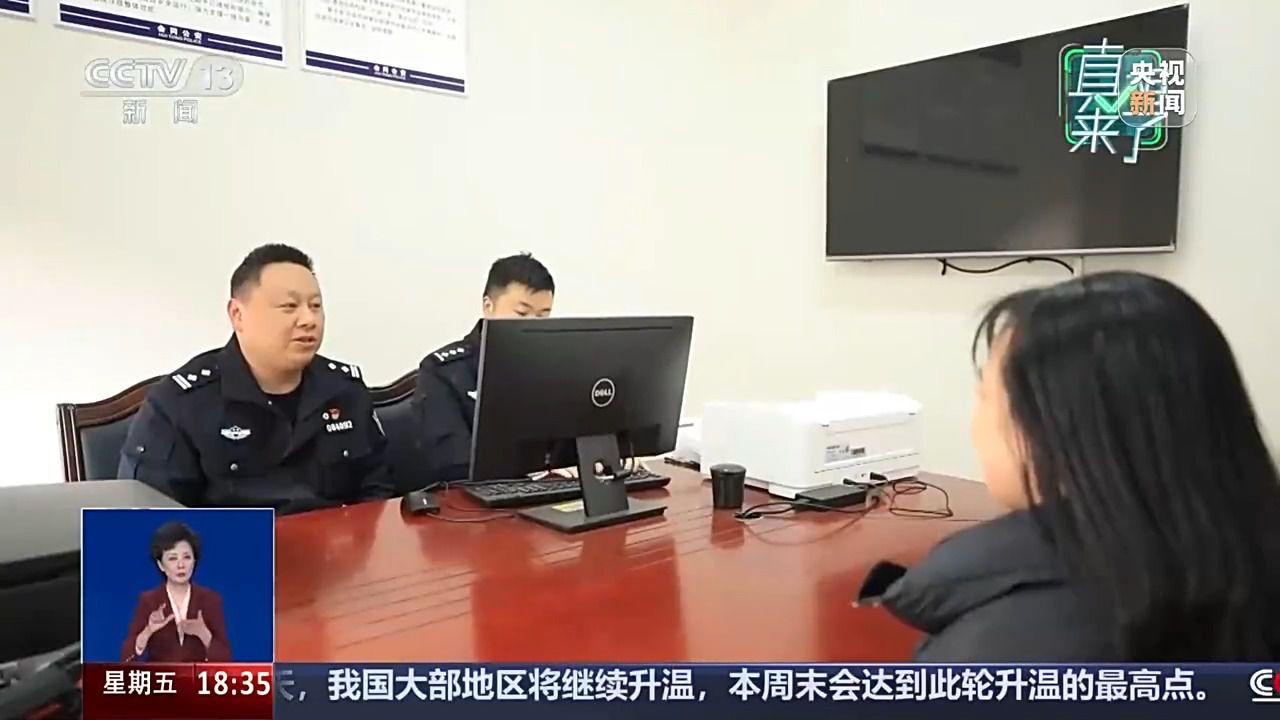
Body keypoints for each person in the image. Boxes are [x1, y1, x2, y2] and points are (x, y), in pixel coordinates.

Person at [856, 270, 1280, 660]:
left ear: (1055, 430)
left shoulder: (1009, 649)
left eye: (985, 396)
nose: (974, 422)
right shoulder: (1239, 569)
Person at [118, 244, 394, 514]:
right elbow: (143, 524)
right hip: (233, 545)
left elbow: (378, 491)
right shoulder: (179, 404)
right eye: (289, 306)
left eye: (315, 305)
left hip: (336, 543)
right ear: (237, 315)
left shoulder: (344, 390)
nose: (309, 319)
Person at [413, 253, 555, 483]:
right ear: (488, 306)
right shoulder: (443, 371)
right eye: (522, 313)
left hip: (548, 491)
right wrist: (530, 475)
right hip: (476, 496)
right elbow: (452, 462)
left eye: (543, 316)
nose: (533, 325)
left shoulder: (553, 368)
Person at [121, 521, 231, 662]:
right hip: (161, 676)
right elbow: (126, 656)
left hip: (197, 675)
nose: (181, 565)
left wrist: (204, 634)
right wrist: (148, 630)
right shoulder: (149, 601)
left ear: (194, 561)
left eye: (187, 557)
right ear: (161, 565)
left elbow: (225, 657)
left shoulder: (210, 599)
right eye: (173, 558)